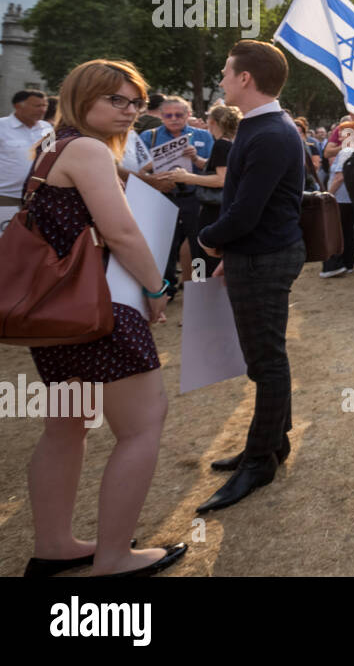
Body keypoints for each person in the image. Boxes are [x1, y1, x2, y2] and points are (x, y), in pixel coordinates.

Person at [22, 60, 186, 577]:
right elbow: (122, 233)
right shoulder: (88, 150)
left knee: (65, 428)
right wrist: (157, 287)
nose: (131, 111)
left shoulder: (48, 149)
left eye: (137, 102)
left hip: (56, 312)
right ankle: (114, 556)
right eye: (118, 100)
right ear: (83, 97)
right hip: (101, 308)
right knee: (142, 426)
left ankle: (55, 545)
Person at [195, 40, 305, 513]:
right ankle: (272, 441)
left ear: (245, 79)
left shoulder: (270, 133)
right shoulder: (262, 128)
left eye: (225, 71)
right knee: (267, 358)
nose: (220, 79)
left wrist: (208, 239)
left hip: (264, 257)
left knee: (266, 362)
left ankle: (260, 460)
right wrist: (228, 250)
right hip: (254, 255)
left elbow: (243, 213)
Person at [139, 96, 213, 294]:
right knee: (164, 245)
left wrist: (196, 158)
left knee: (197, 245)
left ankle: (199, 286)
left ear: (188, 115)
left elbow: (214, 169)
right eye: (168, 115)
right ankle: (166, 288)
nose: (173, 119)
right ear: (161, 116)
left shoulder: (203, 136)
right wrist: (155, 164)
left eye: (179, 115)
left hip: (194, 197)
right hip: (163, 197)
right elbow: (137, 170)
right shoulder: (149, 136)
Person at [160, 104, 241, 277]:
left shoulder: (220, 145)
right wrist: (196, 159)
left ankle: (201, 286)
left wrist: (186, 178)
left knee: (202, 253)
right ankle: (200, 285)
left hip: (211, 210)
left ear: (211, 122)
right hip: (218, 208)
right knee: (196, 249)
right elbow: (217, 169)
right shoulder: (230, 143)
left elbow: (221, 179)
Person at [1, 89, 53, 229]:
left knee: (27, 241)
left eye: (44, 106)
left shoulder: (47, 128)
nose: (42, 110)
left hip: (35, 197)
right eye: (37, 106)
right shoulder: (2, 126)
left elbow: (51, 157)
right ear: (18, 106)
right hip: (6, 197)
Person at [321, 119, 354, 279]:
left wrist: (327, 195)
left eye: (343, 131)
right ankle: (347, 263)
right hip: (349, 199)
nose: (338, 134)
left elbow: (339, 177)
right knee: (346, 232)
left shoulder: (346, 152)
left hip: (340, 199)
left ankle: (333, 265)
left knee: (334, 232)